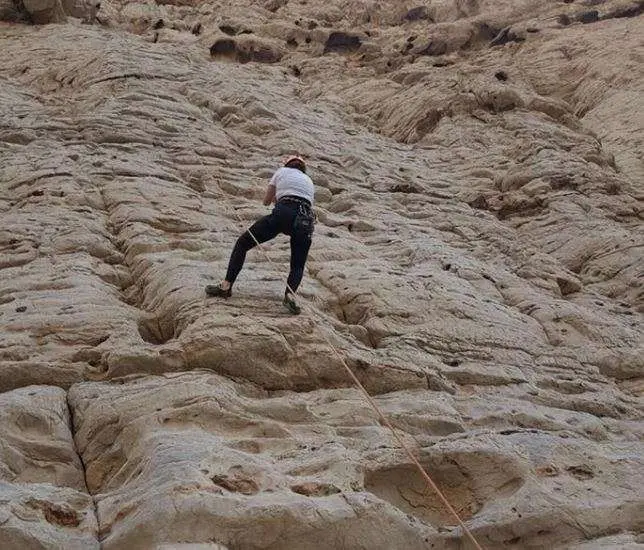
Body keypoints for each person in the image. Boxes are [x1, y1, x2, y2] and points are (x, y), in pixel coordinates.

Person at [205, 155, 315, 314]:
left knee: (243, 243)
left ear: (288, 165)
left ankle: (226, 286)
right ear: (303, 169)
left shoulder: (282, 171)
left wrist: (278, 198)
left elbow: (266, 201)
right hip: (305, 220)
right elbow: (307, 202)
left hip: (283, 213)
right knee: (297, 264)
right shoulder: (308, 181)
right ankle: (290, 296)